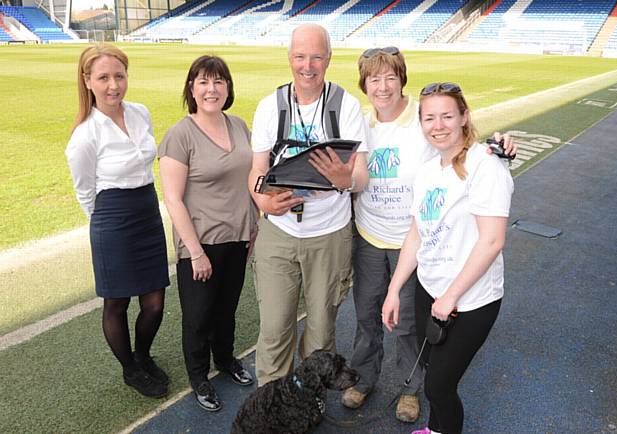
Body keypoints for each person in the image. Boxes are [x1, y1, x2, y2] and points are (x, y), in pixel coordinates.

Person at [344, 47, 517, 423]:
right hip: (393, 252)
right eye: (374, 78)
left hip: (443, 272)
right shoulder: (366, 127)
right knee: (376, 322)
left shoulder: (463, 150)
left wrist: (499, 148)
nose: (382, 86)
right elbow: (417, 230)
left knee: (422, 349)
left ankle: (414, 393)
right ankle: (378, 386)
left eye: (390, 77)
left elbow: (490, 234)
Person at [382, 82, 514, 434]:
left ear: (464, 117)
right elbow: (416, 234)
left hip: (471, 301)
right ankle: (434, 430)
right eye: (429, 118)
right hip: (429, 290)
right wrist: (395, 290)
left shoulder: (486, 166)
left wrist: (452, 296)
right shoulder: (427, 170)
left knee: (438, 386)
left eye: (446, 116)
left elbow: (492, 241)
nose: (437, 125)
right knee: (432, 373)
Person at [248, 23, 369, 387]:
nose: (308, 65)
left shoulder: (345, 105)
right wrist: (264, 201)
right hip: (279, 232)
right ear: (289, 58)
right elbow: (256, 171)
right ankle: (271, 403)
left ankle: (310, 403)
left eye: (316, 56)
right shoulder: (271, 106)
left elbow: (361, 175)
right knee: (273, 329)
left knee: (320, 334)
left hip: (328, 236)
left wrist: (344, 180)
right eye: (300, 56)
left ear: (328, 60)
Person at [66, 44, 170, 398]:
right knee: (117, 303)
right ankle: (130, 369)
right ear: (88, 81)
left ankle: (143, 356)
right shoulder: (85, 134)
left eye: (119, 76)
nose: (114, 85)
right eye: (104, 77)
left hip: (147, 210)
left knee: (155, 300)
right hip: (112, 218)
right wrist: (105, 227)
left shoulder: (141, 113)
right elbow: (85, 192)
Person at [159, 55, 257, 412]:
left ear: (227, 87)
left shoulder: (240, 125)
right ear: (191, 88)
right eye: (203, 81)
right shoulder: (180, 134)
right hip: (200, 244)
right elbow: (172, 198)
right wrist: (195, 251)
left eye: (218, 81)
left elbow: (251, 179)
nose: (211, 89)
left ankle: (226, 359)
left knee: (226, 309)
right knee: (199, 316)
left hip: (239, 237)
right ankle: (199, 377)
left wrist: (255, 224)